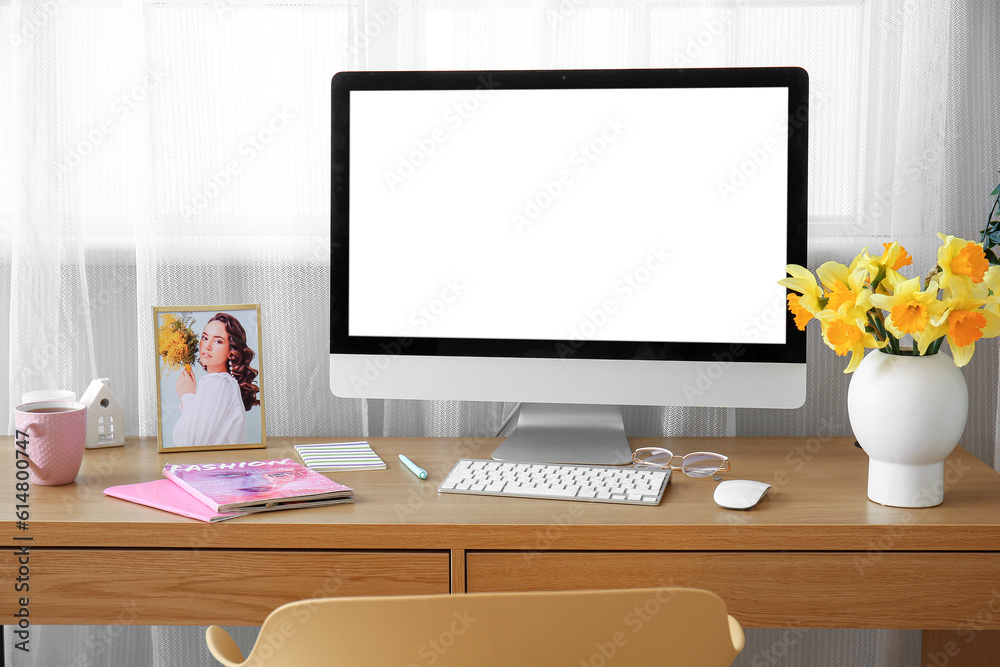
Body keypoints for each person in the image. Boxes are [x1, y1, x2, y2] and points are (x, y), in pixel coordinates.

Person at [172, 313, 260, 447]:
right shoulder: (226, 384)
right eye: (204, 337)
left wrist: (187, 397)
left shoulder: (218, 383)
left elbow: (191, 444)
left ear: (231, 350)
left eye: (218, 341)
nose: (207, 346)